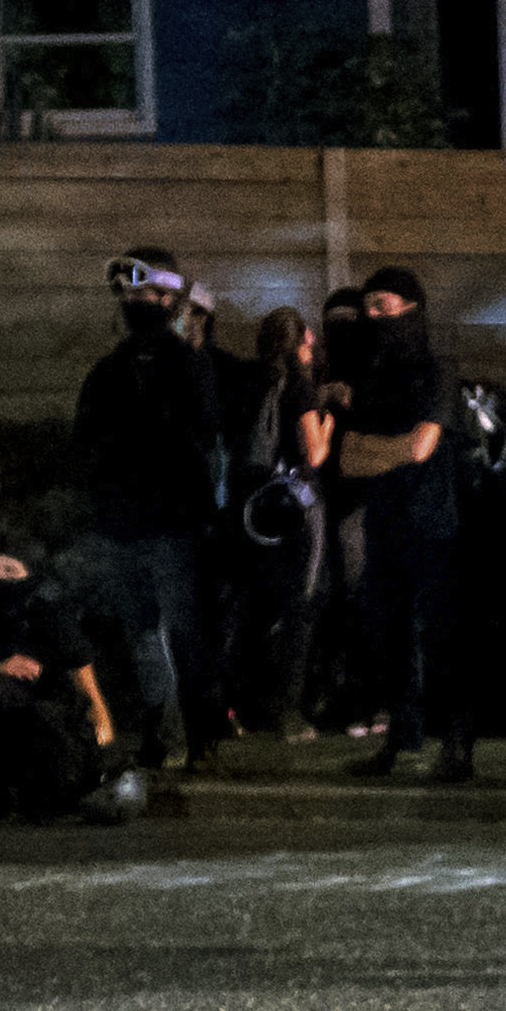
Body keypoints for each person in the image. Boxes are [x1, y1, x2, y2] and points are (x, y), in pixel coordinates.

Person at [69, 254, 227, 775]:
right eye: (127, 295)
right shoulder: (110, 369)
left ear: (167, 298)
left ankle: (197, 735)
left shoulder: (188, 365)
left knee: (181, 632)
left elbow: (203, 438)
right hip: (124, 525)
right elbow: (84, 443)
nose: (132, 302)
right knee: (142, 636)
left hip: (172, 525)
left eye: (142, 293)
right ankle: (162, 732)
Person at [323, 266, 475, 781]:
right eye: (367, 307)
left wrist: (386, 450)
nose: (371, 317)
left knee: (442, 638)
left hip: (435, 523)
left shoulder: (437, 370)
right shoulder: (373, 378)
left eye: (381, 306)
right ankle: (401, 739)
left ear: (412, 308)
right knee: (391, 636)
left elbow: (423, 445)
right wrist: (399, 449)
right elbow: (349, 458)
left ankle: (456, 745)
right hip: (385, 522)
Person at [0, 537, 121, 819]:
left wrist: (103, 754)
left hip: (39, 722)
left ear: (30, 575)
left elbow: (90, 693)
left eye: (10, 571)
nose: (0, 578)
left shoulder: (50, 616)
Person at [223, 301, 334, 738]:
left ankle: (236, 707)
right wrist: (328, 420)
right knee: (300, 607)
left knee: (251, 606)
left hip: (254, 508)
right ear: (301, 342)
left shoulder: (251, 383)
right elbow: (314, 453)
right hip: (298, 508)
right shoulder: (301, 388)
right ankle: (288, 710)